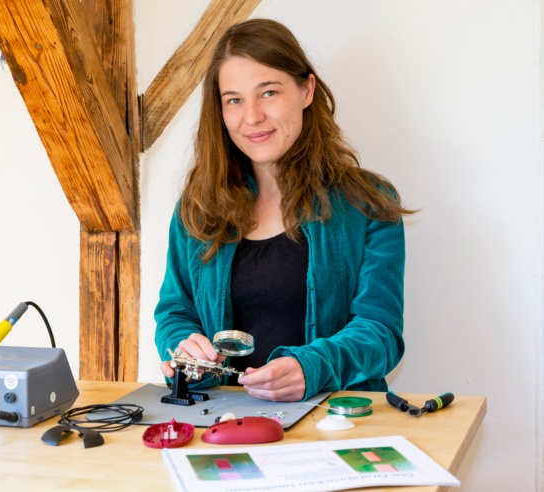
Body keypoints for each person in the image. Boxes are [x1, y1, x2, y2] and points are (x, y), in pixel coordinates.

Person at [154, 18, 415, 403]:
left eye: (269, 93)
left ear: (307, 90)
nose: (252, 116)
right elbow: (176, 310)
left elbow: (381, 332)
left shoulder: (368, 203)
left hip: (336, 425)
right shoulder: (198, 208)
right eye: (234, 100)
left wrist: (312, 368)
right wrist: (183, 349)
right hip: (223, 424)